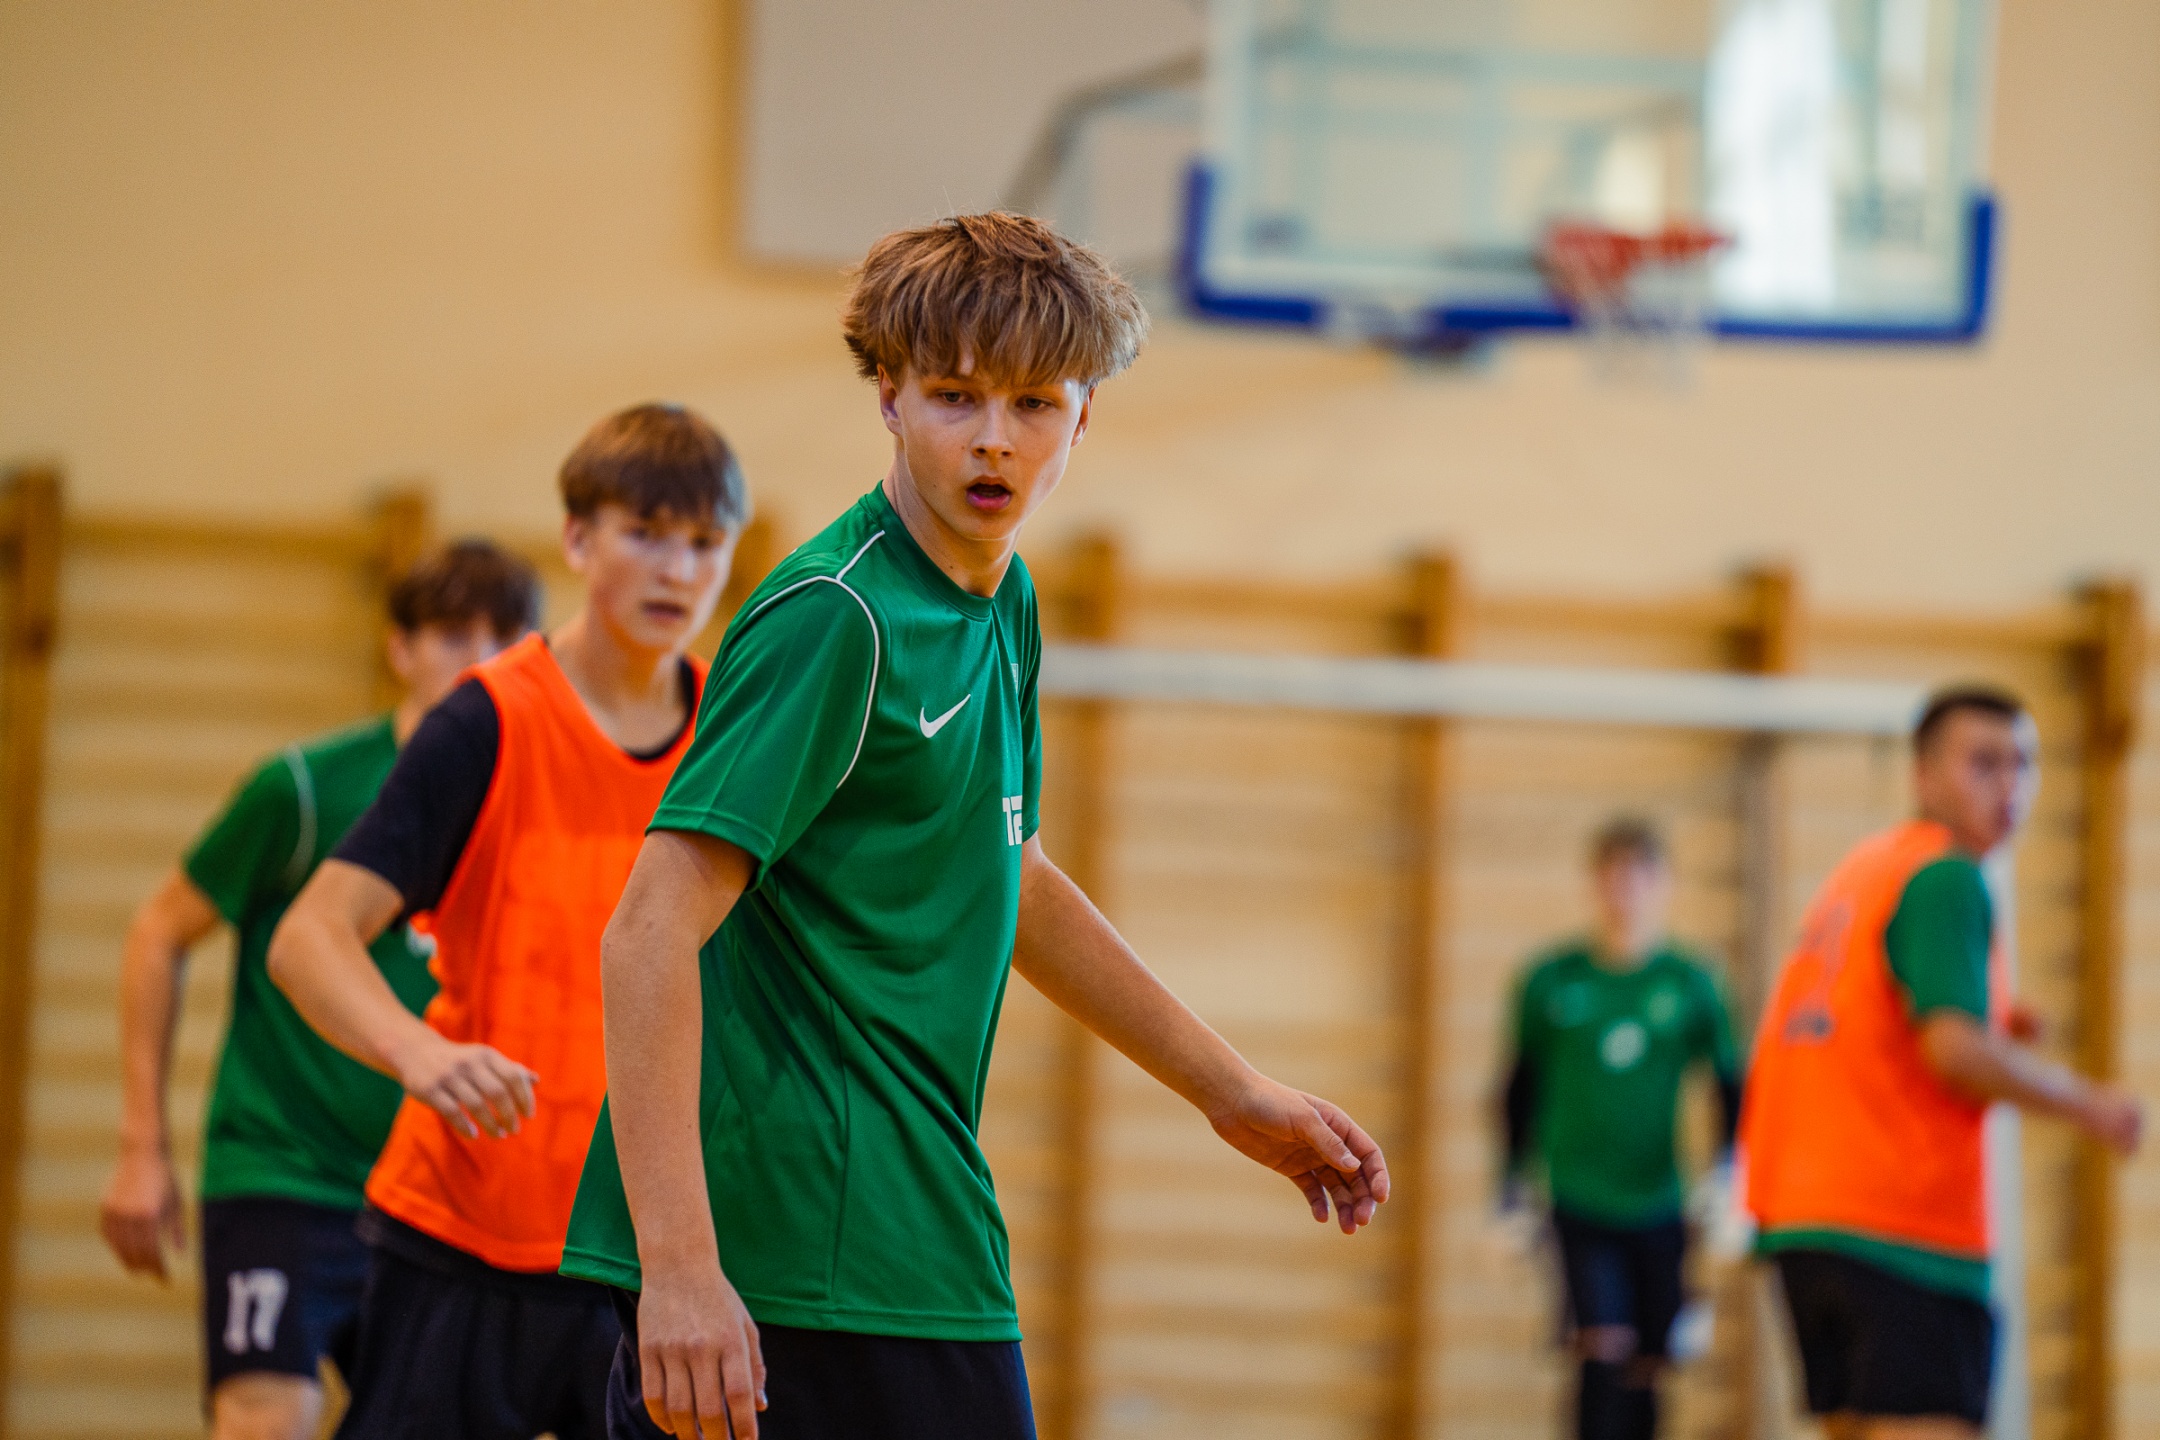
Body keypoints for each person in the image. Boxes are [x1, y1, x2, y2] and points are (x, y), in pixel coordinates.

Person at [551, 213, 1390, 1440]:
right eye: (955, 396)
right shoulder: (839, 616)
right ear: (888, 396)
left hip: (909, 1221)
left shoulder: (1004, 598)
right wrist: (678, 1269)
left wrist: (1231, 1093)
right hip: (781, 1245)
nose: (995, 438)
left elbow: (1016, 876)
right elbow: (646, 932)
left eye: (1035, 403)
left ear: (1085, 417)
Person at [267, 404, 747, 1439]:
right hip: (463, 1233)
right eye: (646, 534)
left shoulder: (735, 736)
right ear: (577, 538)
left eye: (707, 542)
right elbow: (309, 935)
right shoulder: (486, 719)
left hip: (646, 1252)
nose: (679, 570)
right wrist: (420, 1054)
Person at [97, 538, 539, 1440]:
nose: (481, 658)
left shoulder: (538, 801)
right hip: (287, 1172)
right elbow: (159, 932)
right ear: (400, 648)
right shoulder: (303, 791)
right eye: (453, 634)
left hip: (435, 1198)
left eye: (505, 637)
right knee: (267, 1417)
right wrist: (143, 1145)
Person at [1742, 685, 2145, 1440]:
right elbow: (1953, 1050)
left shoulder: (1870, 867)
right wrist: (2085, 1101)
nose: (2009, 786)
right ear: (1924, 775)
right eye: (1984, 763)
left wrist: (1996, 1022)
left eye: (2023, 765)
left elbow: (1873, 1015)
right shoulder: (1949, 876)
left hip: (1806, 1220)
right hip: (1898, 1226)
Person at [1497, 817, 1740, 1440]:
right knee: (1600, 1348)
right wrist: (1511, 1186)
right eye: (1613, 875)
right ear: (1595, 883)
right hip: (1578, 1194)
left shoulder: (1688, 981)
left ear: (1663, 884)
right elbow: (1519, 1087)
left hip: (1659, 1197)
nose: (1626, 890)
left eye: (1640, 875)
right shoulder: (1553, 980)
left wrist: (1728, 1173)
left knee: (1647, 1366)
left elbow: (1729, 1082)